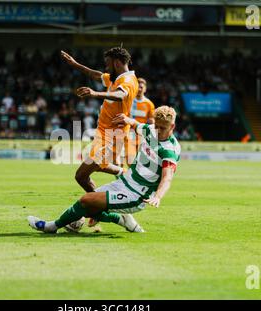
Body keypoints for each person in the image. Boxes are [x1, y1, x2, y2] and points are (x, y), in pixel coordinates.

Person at [27, 106, 180, 234]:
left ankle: (51, 227)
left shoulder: (168, 151)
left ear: (172, 126)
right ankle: (122, 219)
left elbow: (167, 178)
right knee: (87, 209)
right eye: (156, 126)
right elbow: (135, 124)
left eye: (163, 128)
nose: (158, 131)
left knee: (85, 200)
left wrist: (158, 196)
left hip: (137, 195)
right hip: (124, 182)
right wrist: (126, 119)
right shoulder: (151, 130)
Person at [60, 47, 138, 193]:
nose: (106, 67)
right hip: (104, 133)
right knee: (89, 170)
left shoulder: (127, 81)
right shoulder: (117, 78)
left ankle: (98, 204)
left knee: (81, 175)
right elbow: (96, 75)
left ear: (116, 63)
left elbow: (121, 95)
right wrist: (75, 64)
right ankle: (123, 175)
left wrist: (95, 93)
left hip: (112, 136)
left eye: (108, 63)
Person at [125, 77, 155, 165]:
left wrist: (152, 121)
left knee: (143, 161)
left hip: (142, 134)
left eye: (141, 87)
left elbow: (152, 119)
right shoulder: (128, 101)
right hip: (129, 133)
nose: (139, 89)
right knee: (130, 160)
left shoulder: (149, 104)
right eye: (138, 87)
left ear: (145, 89)